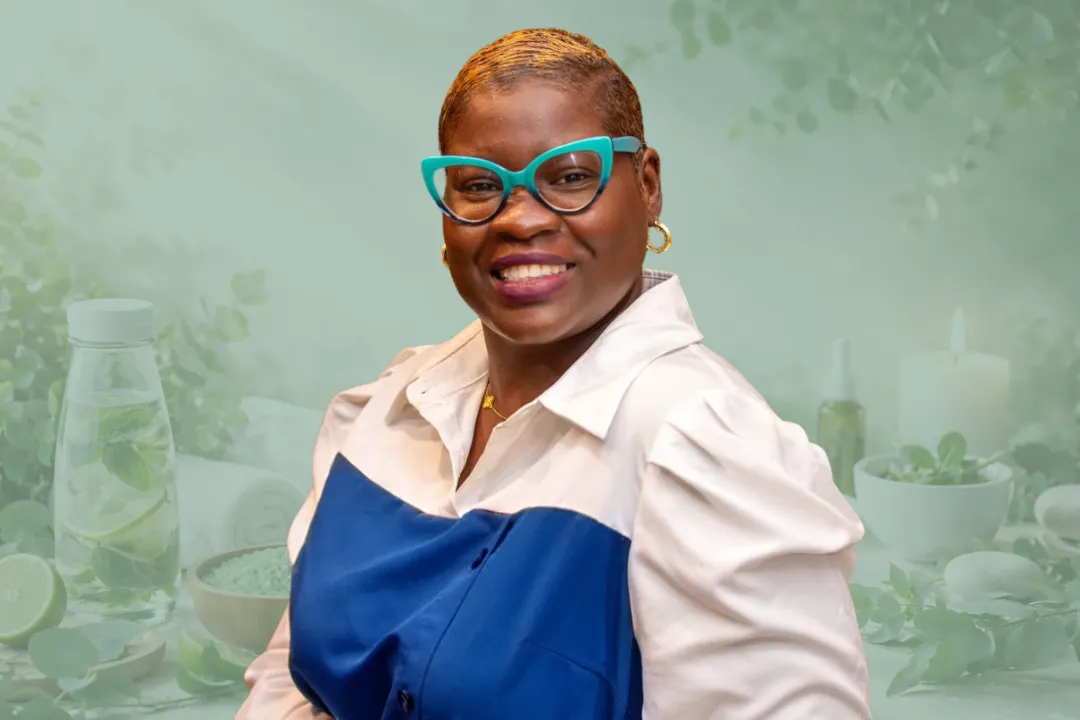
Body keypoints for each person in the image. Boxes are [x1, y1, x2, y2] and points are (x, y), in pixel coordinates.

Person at [237, 27, 871, 720]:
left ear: (648, 185)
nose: (522, 219)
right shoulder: (389, 410)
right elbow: (289, 678)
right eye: (480, 186)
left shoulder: (698, 446)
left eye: (570, 177)